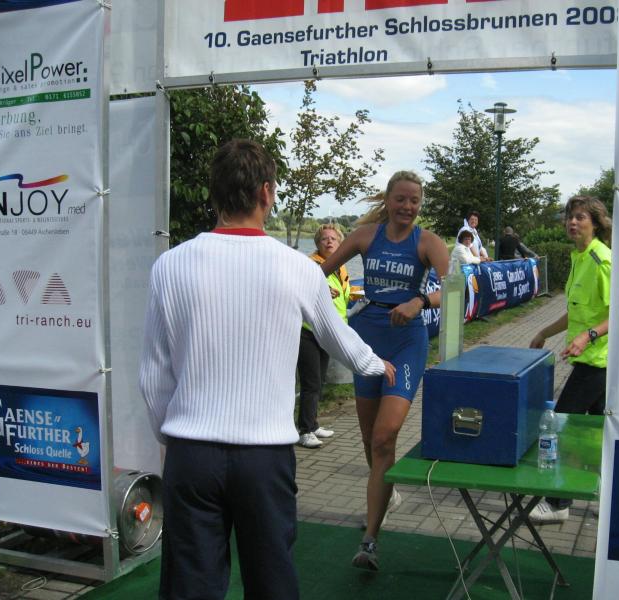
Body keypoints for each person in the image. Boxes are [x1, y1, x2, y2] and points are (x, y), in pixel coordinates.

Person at [139, 139, 395, 600]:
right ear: (266, 192)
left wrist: (170, 433)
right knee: (272, 579)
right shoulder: (298, 268)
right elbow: (337, 336)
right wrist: (375, 363)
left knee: (189, 585)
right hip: (265, 456)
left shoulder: (169, 266)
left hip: (191, 452)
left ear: (214, 193)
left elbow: (154, 374)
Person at [320, 171, 450, 571]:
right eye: (401, 199)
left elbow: (456, 287)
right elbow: (319, 271)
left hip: (406, 343)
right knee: (369, 440)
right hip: (367, 342)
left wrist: (420, 301)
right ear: (388, 200)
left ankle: (370, 541)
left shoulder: (427, 242)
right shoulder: (365, 236)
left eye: (414, 201)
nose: (408, 207)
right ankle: (385, 493)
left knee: (384, 435)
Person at [528, 195, 612, 523]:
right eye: (570, 217)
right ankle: (607, 492)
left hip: (599, 362)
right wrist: (544, 331)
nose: (573, 222)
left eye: (581, 217)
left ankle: (558, 502)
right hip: (588, 359)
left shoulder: (602, 260)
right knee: (599, 431)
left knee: (561, 423)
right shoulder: (579, 257)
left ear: (596, 224)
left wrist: (588, 336)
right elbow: (574, 312)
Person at [296, 223, 350, 448]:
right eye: (324, 239)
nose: (329, 242)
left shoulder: (340, 267)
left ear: (340, 243)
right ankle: (305, 430)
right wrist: (316, 289)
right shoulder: (310, 265)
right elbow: (298, 288)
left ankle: (313, 423)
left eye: (333, 238)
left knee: (319, 380)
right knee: (311, 383)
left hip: (327, 332)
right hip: (309, 331)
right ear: (318, 243)